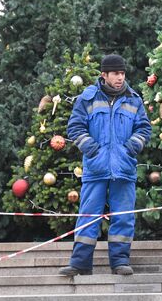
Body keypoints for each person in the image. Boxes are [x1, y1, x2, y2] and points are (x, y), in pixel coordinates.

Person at [59, 54, 151, 276]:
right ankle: (80, 263)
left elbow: (144, 129)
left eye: (122, 73)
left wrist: (130, 148)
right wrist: (92, 149)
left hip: (124, 169)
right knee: (88, 216)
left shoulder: (134, 99)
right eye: (115, 74)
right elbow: (75, 127)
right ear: (104, 75)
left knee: (123, 216)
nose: (120, 78)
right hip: (95, 169)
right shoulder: (87, 99)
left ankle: (120, 261)